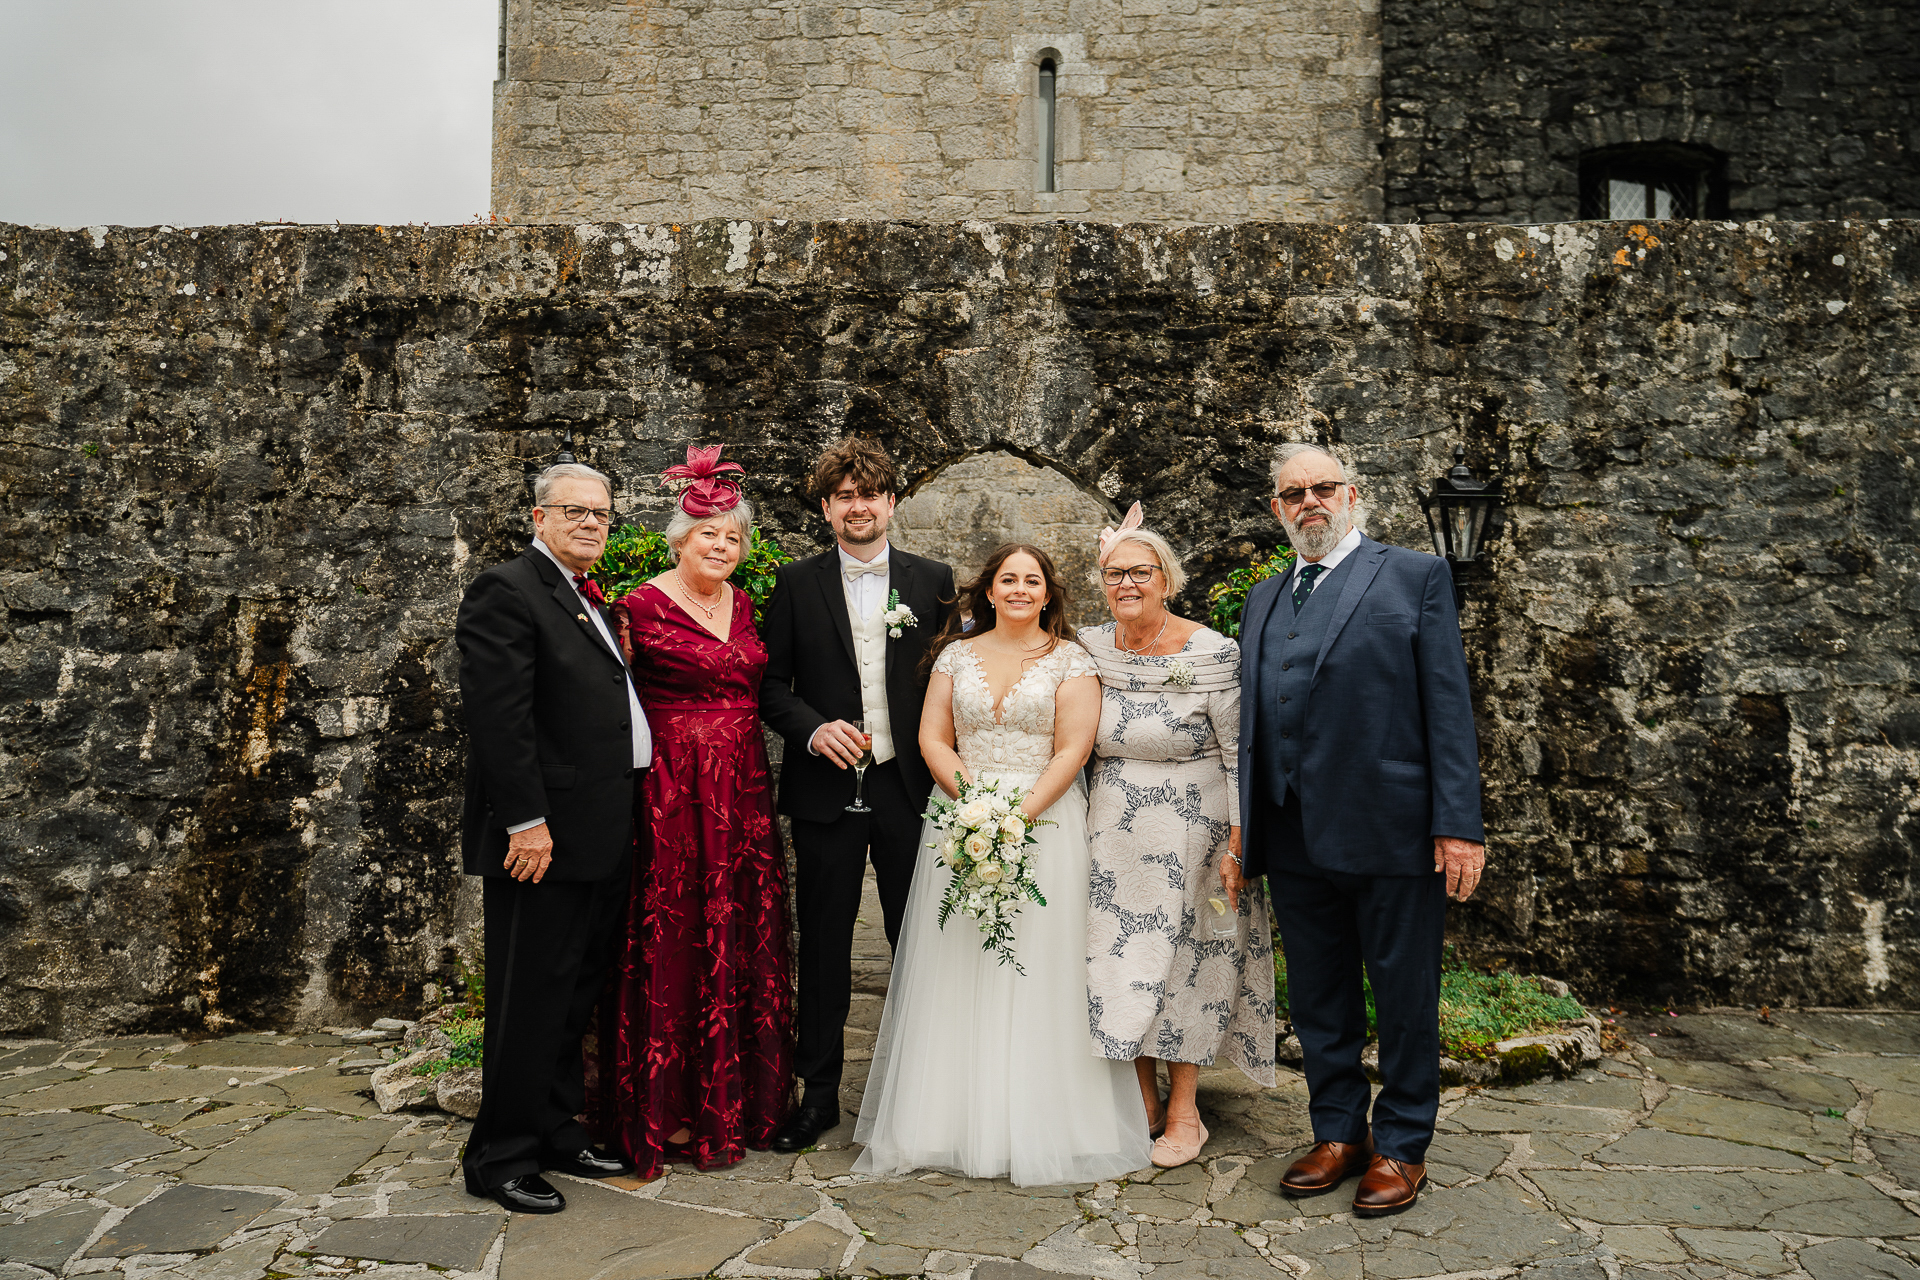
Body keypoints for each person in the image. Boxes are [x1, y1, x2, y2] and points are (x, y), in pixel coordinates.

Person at [1228, 441, 1486, 1218]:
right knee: (1318, 996)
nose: (1309, 501)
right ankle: (1337, 1131)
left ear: (1352, 495)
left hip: (1393, 829)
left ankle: (1403, 1144)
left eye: (1323, 488)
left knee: (1403, 993)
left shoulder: (1414, 576)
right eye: (1293, 492)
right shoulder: (1264, 599)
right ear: (1278, 509)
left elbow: (1448, 707)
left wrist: (1459, 826)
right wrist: (1248, 828)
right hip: (1293, 829)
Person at [853, 544, 1154, 1187]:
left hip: (1046, 822)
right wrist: (977, 808)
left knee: (1040, 965)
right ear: (988, 591)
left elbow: (1073, 749)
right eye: (1007, 579)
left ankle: (1050, 1118)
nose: (1019, 589)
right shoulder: (954, 656)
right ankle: (944, 1119)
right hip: (960, 819)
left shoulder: (1072, 659)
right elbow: (933, 737)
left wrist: (1016, 816)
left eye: (1032, 581)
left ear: (1048, 595)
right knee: (959, 961)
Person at [587, 445, 794, 1179]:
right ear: (679, 537)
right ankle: (665, 1110)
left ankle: (739, 1106)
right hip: (671, 790)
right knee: (671, 932)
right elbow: (608, 704)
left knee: (740, 924)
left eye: (733, 537)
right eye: (708, 533)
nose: (721, 545)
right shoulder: (636, 607)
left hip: (741, 786)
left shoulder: (746, 604)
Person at [455, 460, 646, 1215]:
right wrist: (526, 823)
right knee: (529, 1000)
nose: (592, 523)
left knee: (574, 995)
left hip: (599, 831)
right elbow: (499, 720)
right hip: (544, 839)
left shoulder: (580, 597)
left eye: (601, 513)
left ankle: (557, 1129)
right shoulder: (508, 590)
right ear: (539, 518)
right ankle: (499, 1157)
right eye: (575, 511)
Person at [757, 437, 955, 1153]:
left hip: (910, 794)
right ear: (826, 508)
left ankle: (920, 1092)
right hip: (823, 797)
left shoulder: (934, 579)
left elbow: (953, 679)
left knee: (920, 945)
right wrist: (811, 732)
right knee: (825, 946)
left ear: (891, 502)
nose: (858, 506)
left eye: (870, 493)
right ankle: (818, 1096)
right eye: (844, 495)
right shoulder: (795, 583)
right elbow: (770, 686)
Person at [1081, 506, 1275, 1170]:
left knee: (1195, 963)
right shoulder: (1089, 646)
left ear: (1168, 579)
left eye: (1139, 572)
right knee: (1117, 966)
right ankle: (1140, 1099)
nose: (1125, 584)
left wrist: (1239, 845)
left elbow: (1238, 754)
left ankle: (1187, 1110)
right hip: (1111, 836)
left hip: (1198, 836)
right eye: (1113, 573)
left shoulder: (1214, 651)